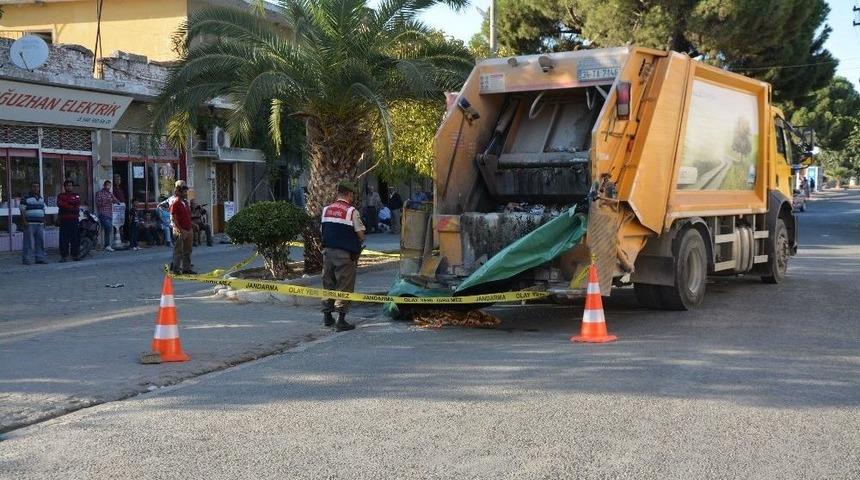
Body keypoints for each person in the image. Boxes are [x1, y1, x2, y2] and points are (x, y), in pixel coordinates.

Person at [320, 180, 365, 332]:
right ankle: (341, 320)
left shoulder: (326, 210)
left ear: (338, 193)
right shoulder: (352, 211)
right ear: (349, 194)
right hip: (345, 255)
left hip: (327, 253)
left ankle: (327, 317)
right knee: (344, 285)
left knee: (328, 284)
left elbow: (323, 231)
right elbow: (360, 235)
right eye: (352, 195)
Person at [169, 184, 195, 275]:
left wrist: (191, 227)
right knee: (178, 251)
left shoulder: (185, 203)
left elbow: (187, 216)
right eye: (184, 192)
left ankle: (186, 269)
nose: (186, 193)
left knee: (188, 250)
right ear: (179, 192)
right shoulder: (175, 203)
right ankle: (176, 269)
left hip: (188, 229)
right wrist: (181, 230)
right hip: (180, 230)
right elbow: (174, 219)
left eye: (186, 192)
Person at [20, 181, 48, 265]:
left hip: (40, 224)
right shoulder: (25, 198)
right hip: (29, 224)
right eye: (34, 186)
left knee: (40, 242)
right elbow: (22, 211)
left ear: (39, 188)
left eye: (37, 187)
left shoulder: (41, 199)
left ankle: (39, 258)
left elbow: (43, 210)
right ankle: (26, 259)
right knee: (28, 242)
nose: (36, 188)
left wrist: (44, 220)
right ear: (31, 188)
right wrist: (24, 221)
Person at [57, 180, 81, 262]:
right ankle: (64, 256)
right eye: (67, 185)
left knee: (75, 238)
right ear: (65, 187)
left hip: (74, 220)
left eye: (70, 185)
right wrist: (70, 205)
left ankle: (75, 255)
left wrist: (67, 205)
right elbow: (60, 204)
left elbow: (77, 204)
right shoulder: (61, 195)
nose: (69, 187)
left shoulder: (76, 195)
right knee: (64, 239)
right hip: (64, 220)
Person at [95, 180, 120, 251]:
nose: (108, 187)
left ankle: (107, 245)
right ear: (104, 185)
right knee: (108, 227)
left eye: (110, 185)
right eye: (107, 185)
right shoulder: (99, 193)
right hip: (103, 214)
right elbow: (98, 204)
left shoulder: (110, 193)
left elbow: (116, 200)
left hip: (109, 214)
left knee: (108, 230)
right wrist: (107, 201)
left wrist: (117, 202)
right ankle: (105, 244)